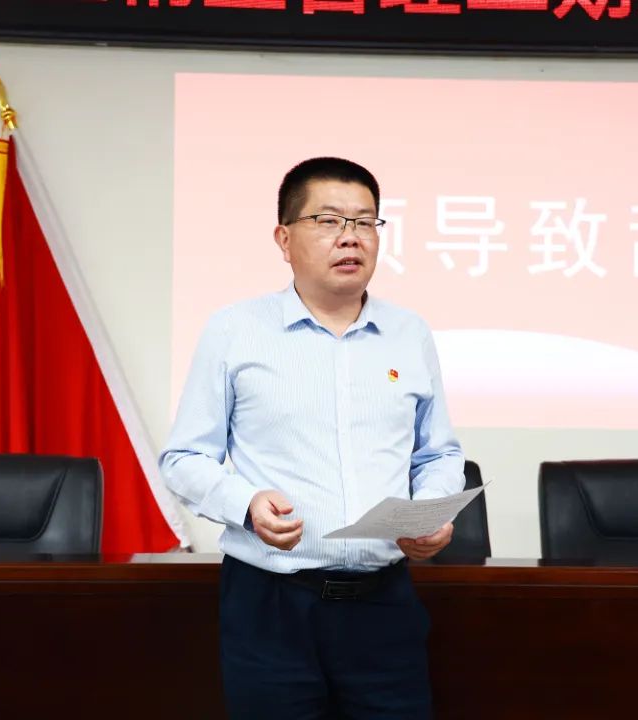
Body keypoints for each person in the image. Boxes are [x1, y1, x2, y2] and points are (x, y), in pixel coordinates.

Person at [159, 157, 464, 719]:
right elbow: (184, 457)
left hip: (383, 606)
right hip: (271, 607)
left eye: (365, 222)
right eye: (328, 221)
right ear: (284, 239)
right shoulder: (235, 330)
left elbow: (438, 453)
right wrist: (246, 504)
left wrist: (430, 511)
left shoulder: (408, 333)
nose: (350, 237)